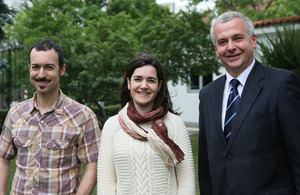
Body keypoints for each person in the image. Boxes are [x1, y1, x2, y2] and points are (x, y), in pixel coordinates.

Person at [198, 11, 300, 195]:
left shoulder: (282, 85)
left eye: (237, 38)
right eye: (223, 42)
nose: (230, 47)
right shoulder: (207, 95)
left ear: (253, 40)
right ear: (216, 50)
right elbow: (205, 167)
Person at [0, 39, 101, 195]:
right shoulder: (15, 113)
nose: (41, 74)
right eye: (36, 67)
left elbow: (92, 167)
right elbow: (3, 159)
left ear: (62, 70)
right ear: (29, 69)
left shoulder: (83, 116)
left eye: (49, 67)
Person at [97, 53, 196, 194]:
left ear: (159, 85)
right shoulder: (112, 126)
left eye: (151, 80)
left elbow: (187, 184)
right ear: (129, 83)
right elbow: (105, 185)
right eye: (138, 79)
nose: (144, 86)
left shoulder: (175, 124)